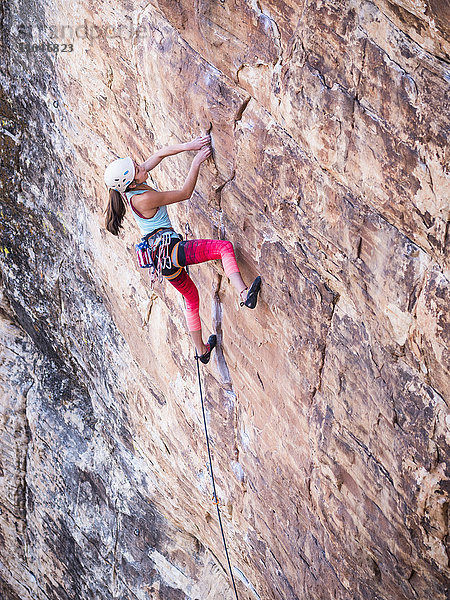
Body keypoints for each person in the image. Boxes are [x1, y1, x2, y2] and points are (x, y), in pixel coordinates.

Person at [103, 134, 261, 364]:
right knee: (224, 248)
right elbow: (185, 193)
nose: (141, 165)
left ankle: (201, 350)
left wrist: (190, 146)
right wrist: (196, 161)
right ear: (131, 182)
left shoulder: (133, 186)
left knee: (191, 297)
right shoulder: (143, 198)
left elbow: (158, 154)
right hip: (171, 251)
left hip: (163, 260)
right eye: (136, 168)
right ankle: (244, 294)